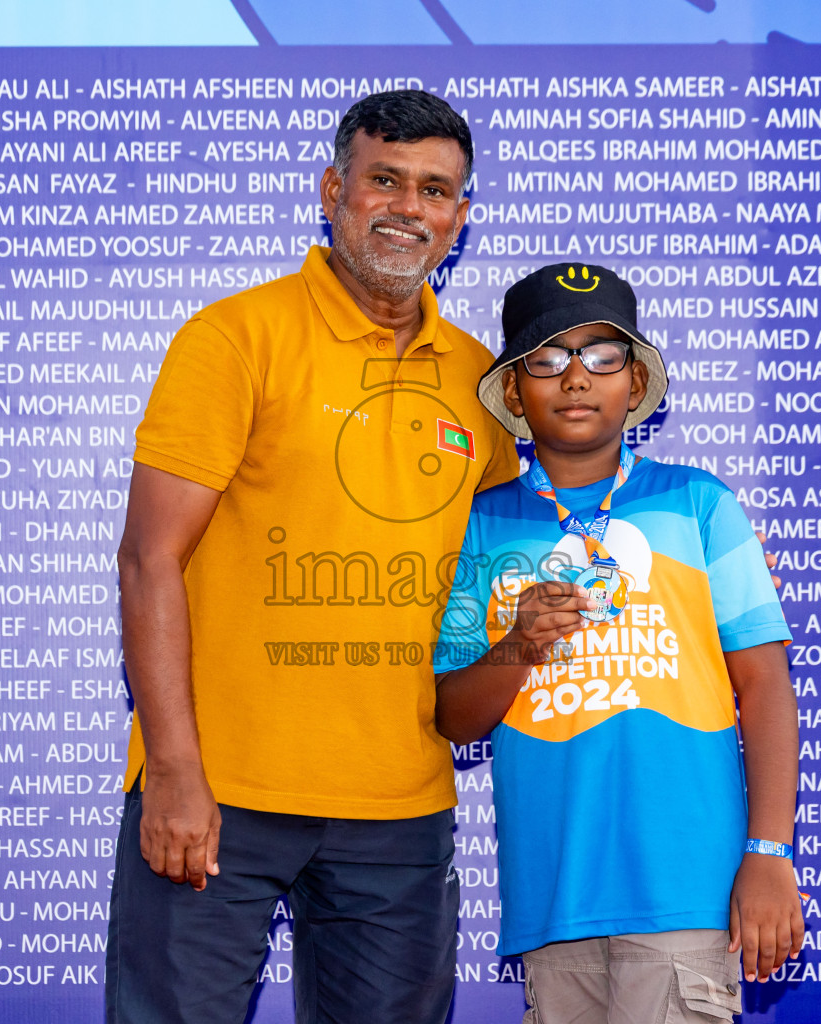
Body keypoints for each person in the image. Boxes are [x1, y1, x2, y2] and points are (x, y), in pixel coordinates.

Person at [106, 90, 521, 1024]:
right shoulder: (233, 338)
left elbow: (496, 573)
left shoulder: (480, 384)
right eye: (384, 180)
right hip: (220, 795)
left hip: (400, 807)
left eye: (434, 189)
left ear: (460, 216)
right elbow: (147, 561)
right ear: (334, 190)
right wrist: (172, 771)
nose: (408, 207)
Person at [432, 263, 804, 1024]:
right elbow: (454, 718)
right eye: (548, 359)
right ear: (513, 391)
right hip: (552, 900)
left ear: (635, 385)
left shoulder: (700, 504)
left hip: (685, 891)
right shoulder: (481, 524)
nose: (576, 379)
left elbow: (765, 687)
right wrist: (516, 647)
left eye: (602, 356)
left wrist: (769, 855)